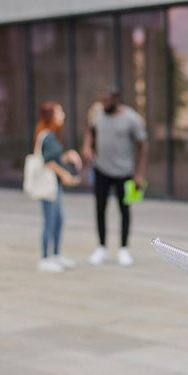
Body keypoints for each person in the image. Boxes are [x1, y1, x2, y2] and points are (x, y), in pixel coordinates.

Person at [82, 86, 148, 267]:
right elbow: (90, 131)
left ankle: (124, 249)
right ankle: (101, 248)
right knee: (100, 209)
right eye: (101, 100)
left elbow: (142, 146)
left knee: (124, 211)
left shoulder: (131, 119)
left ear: (116, 100)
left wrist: (139, 173)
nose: (103, 104)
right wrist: (87, 147)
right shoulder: (98, 114)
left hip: (124, 172)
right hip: (101, 170)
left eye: (106, 100)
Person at [35, 101, 82, 273]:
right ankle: (45, 258)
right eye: (59, 112)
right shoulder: (47, 135)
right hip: (48, 186)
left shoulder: (51, 135)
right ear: (51, 116)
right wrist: (65, 175)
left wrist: (68, 156)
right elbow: (49, 162)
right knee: (50, 221)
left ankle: (55, 255)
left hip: (54, 186)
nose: (63, 115)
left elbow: (54, 158)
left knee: (58, 220)